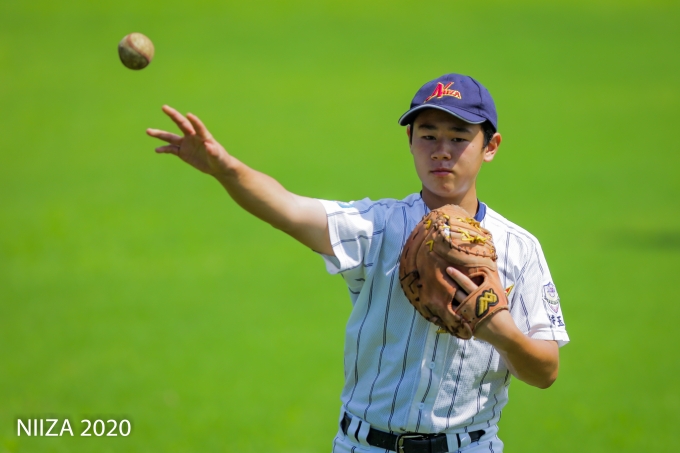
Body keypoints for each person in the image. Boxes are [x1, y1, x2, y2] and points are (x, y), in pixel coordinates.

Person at [146, 73, 569, 453]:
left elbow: (545, 371)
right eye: (428, 135)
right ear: (410, 141)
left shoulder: (519, 249)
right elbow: (288, 209)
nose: (442, 151)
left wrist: (501, 333)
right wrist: (225, 168)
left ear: (490, 147)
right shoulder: (378, 226)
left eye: (459, 138)